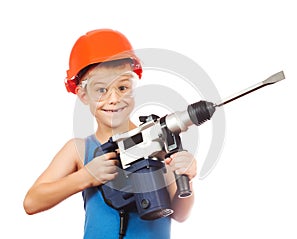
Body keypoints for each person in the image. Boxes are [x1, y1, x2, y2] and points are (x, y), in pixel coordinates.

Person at [23, 29, 197, 239]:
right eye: (101, 90)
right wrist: (87, 176)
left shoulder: (155, 140)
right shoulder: (79, 149)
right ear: (82, 94)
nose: (114, 99)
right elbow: (32, 202)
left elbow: (179, 214)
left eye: (123, 87)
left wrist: (186, 177)